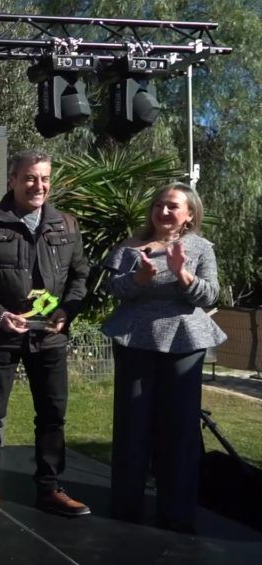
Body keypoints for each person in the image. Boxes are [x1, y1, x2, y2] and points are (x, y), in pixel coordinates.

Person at [0, 150, 91, 522]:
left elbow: (80, 277)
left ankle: (50, 488)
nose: (39, 185)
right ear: (13, 180)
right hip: (1, 335)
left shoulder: (67, 224)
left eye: (45, 178)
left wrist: (68, 311)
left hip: (50, 338)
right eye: (31, 178)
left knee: (52, 415)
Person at [101, 182, 225, 533]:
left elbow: (211, 294)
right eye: (158, 205)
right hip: (135, 339)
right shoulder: (129, 247)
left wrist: (184, 274)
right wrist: (139, 278)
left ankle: (177, 511)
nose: (164, 211)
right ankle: (126, 506)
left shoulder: (201, 248)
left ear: (189, 215)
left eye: (172, 206)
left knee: (180, 429)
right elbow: (115, 291)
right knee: (132, 426)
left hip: (185, 342)